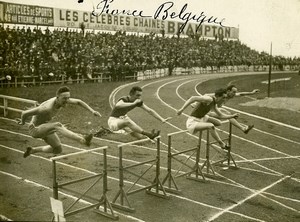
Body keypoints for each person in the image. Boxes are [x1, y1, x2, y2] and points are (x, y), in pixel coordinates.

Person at [19, 86, 101, 158]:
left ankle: (32, 150)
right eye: (64, 98)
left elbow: (79, 102)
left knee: (58, 149)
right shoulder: (46, 108)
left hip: (45, 127)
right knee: (57, 125)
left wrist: (92, 111)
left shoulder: (63, 100)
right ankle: (82, 140)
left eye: (68, 98)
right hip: (35, 129)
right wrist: (22, 122)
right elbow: (24, 113)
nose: (67, 101)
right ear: (57, 97)